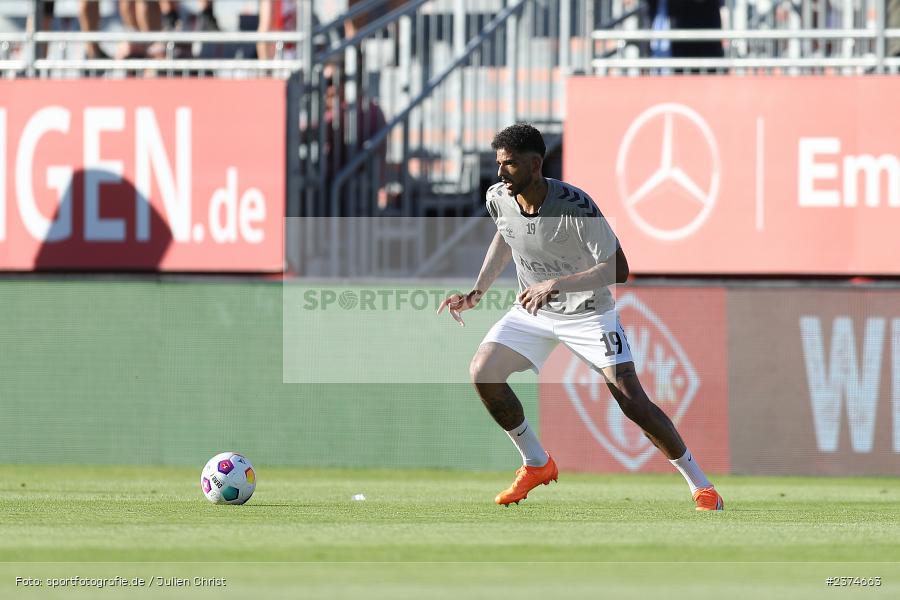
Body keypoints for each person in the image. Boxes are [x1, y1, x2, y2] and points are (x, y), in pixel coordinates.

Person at [437, 123, 724, 511]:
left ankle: (702, 486)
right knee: (483, 371)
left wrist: (556, 283)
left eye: (510, 165)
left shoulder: (576, 206)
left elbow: (619, 269)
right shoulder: (498, 197)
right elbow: (506, 235)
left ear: (535, 164)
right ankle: (536, 463)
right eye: (499, 164)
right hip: (534, 310)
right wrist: (477, 292)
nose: (501, 173)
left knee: (631, 400)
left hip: (589, 312)